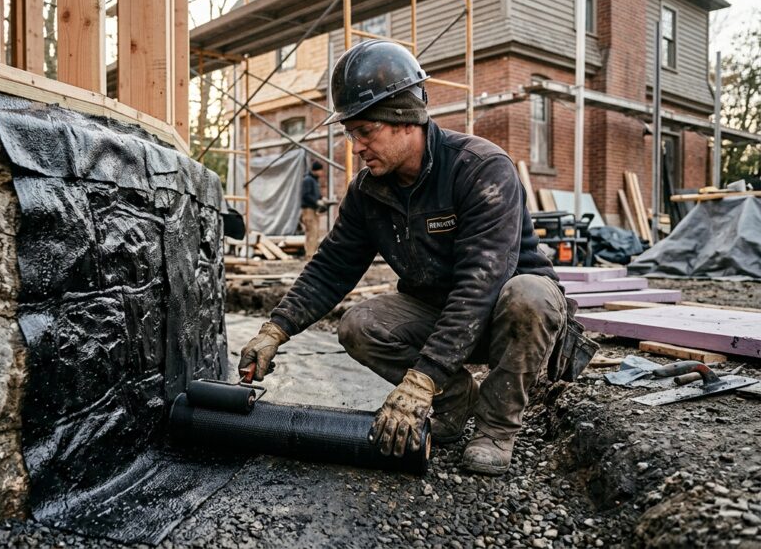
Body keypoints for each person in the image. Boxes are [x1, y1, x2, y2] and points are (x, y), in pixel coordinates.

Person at [238, 40, 594, 476]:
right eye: (351, 133)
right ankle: (455, 399)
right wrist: (276, 329)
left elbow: (480, 284)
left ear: (405, 118)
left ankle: (496, 426)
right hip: (439, 312)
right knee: (359, 324)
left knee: (529, 296)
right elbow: (332, 265)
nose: (356, 147)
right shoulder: (370, 190)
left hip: (507, 318)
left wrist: (420, 378)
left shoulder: (480, 168)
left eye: (365, 131)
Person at [300, 161, 325, 260]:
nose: (322, 172)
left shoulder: (314, 180)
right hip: (308, 210)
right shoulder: (308, 180)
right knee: (312, 233)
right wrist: (316, 201)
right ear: (316, 170)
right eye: (320, 170)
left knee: (314, 233)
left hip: (313, 209)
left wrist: (321, 198)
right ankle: (309, 256)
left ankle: (310, 254)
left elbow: (315, 194)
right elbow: (305, 195)